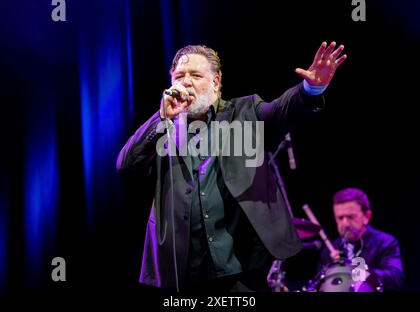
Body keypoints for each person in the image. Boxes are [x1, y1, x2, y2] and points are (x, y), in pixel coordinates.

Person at [116, 42, 346, 291]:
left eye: (195, 75)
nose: (186, 82)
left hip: (242, 266)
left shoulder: (243, 112)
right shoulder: (165, 129)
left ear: (215, 82)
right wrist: (161, 118)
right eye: (179, 76)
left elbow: (281, 111)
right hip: (184, 269)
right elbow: (126, 166)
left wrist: (311, 88)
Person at [318, 187, 404, 291]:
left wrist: (354, 270)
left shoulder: (385, 242)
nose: (345, 224)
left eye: (351, 217)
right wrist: (331, 269)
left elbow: (396, 278)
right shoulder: (329, 251)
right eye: (340, 218)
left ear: (366, 216)